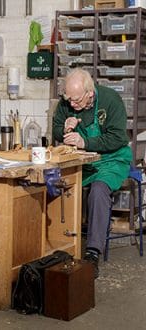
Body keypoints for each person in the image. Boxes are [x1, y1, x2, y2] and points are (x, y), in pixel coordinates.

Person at [52, 68, 132, 278]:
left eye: (76, 100)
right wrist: (64, 130)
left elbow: (118, 138)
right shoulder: (67, 102)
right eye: (69, 99)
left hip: (111, 161)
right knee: (56, 185)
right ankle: (59, 244)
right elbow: (55, 129)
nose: (72, 104)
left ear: (90, 92)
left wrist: (84, 141)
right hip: (83, 162)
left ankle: (92, 252)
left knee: (98, 190)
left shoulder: (110, 100)